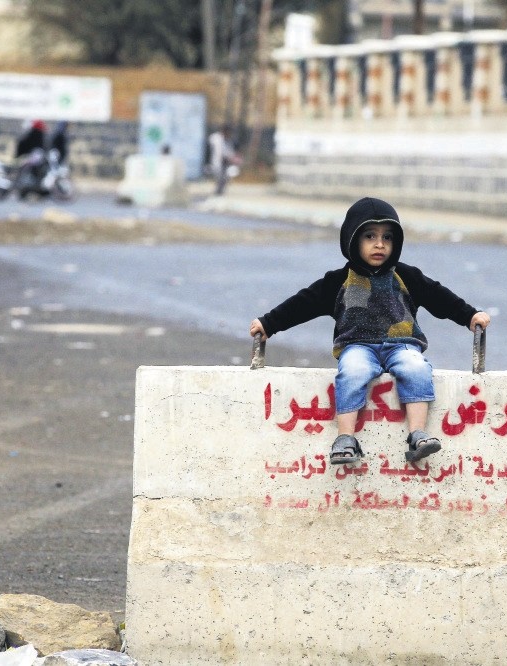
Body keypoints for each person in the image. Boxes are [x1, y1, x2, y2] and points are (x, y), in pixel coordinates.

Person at [249, 197, 491, 465]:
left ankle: (417, 435)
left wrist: (469, 315)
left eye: (387, 237)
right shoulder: (338, 281)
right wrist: (269, 323)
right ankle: (345, 438)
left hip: (402, 345)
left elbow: (440, 297)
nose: (379, 244)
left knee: (417, 368)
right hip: (357, 346)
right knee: (352, 372)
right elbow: (302, 304)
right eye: (370, 236)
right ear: (352, 239)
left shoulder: (406, 276)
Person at [207, 125, 241, 195]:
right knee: (221, 177)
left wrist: (234, 158)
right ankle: (218, 191)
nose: (230, 135)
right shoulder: (216, 138)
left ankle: (219, 191)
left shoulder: (228, 140)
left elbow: (229, 152)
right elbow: (219, 152)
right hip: (216, 162)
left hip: (224, 163)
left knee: (226, 177)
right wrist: (231, 158)